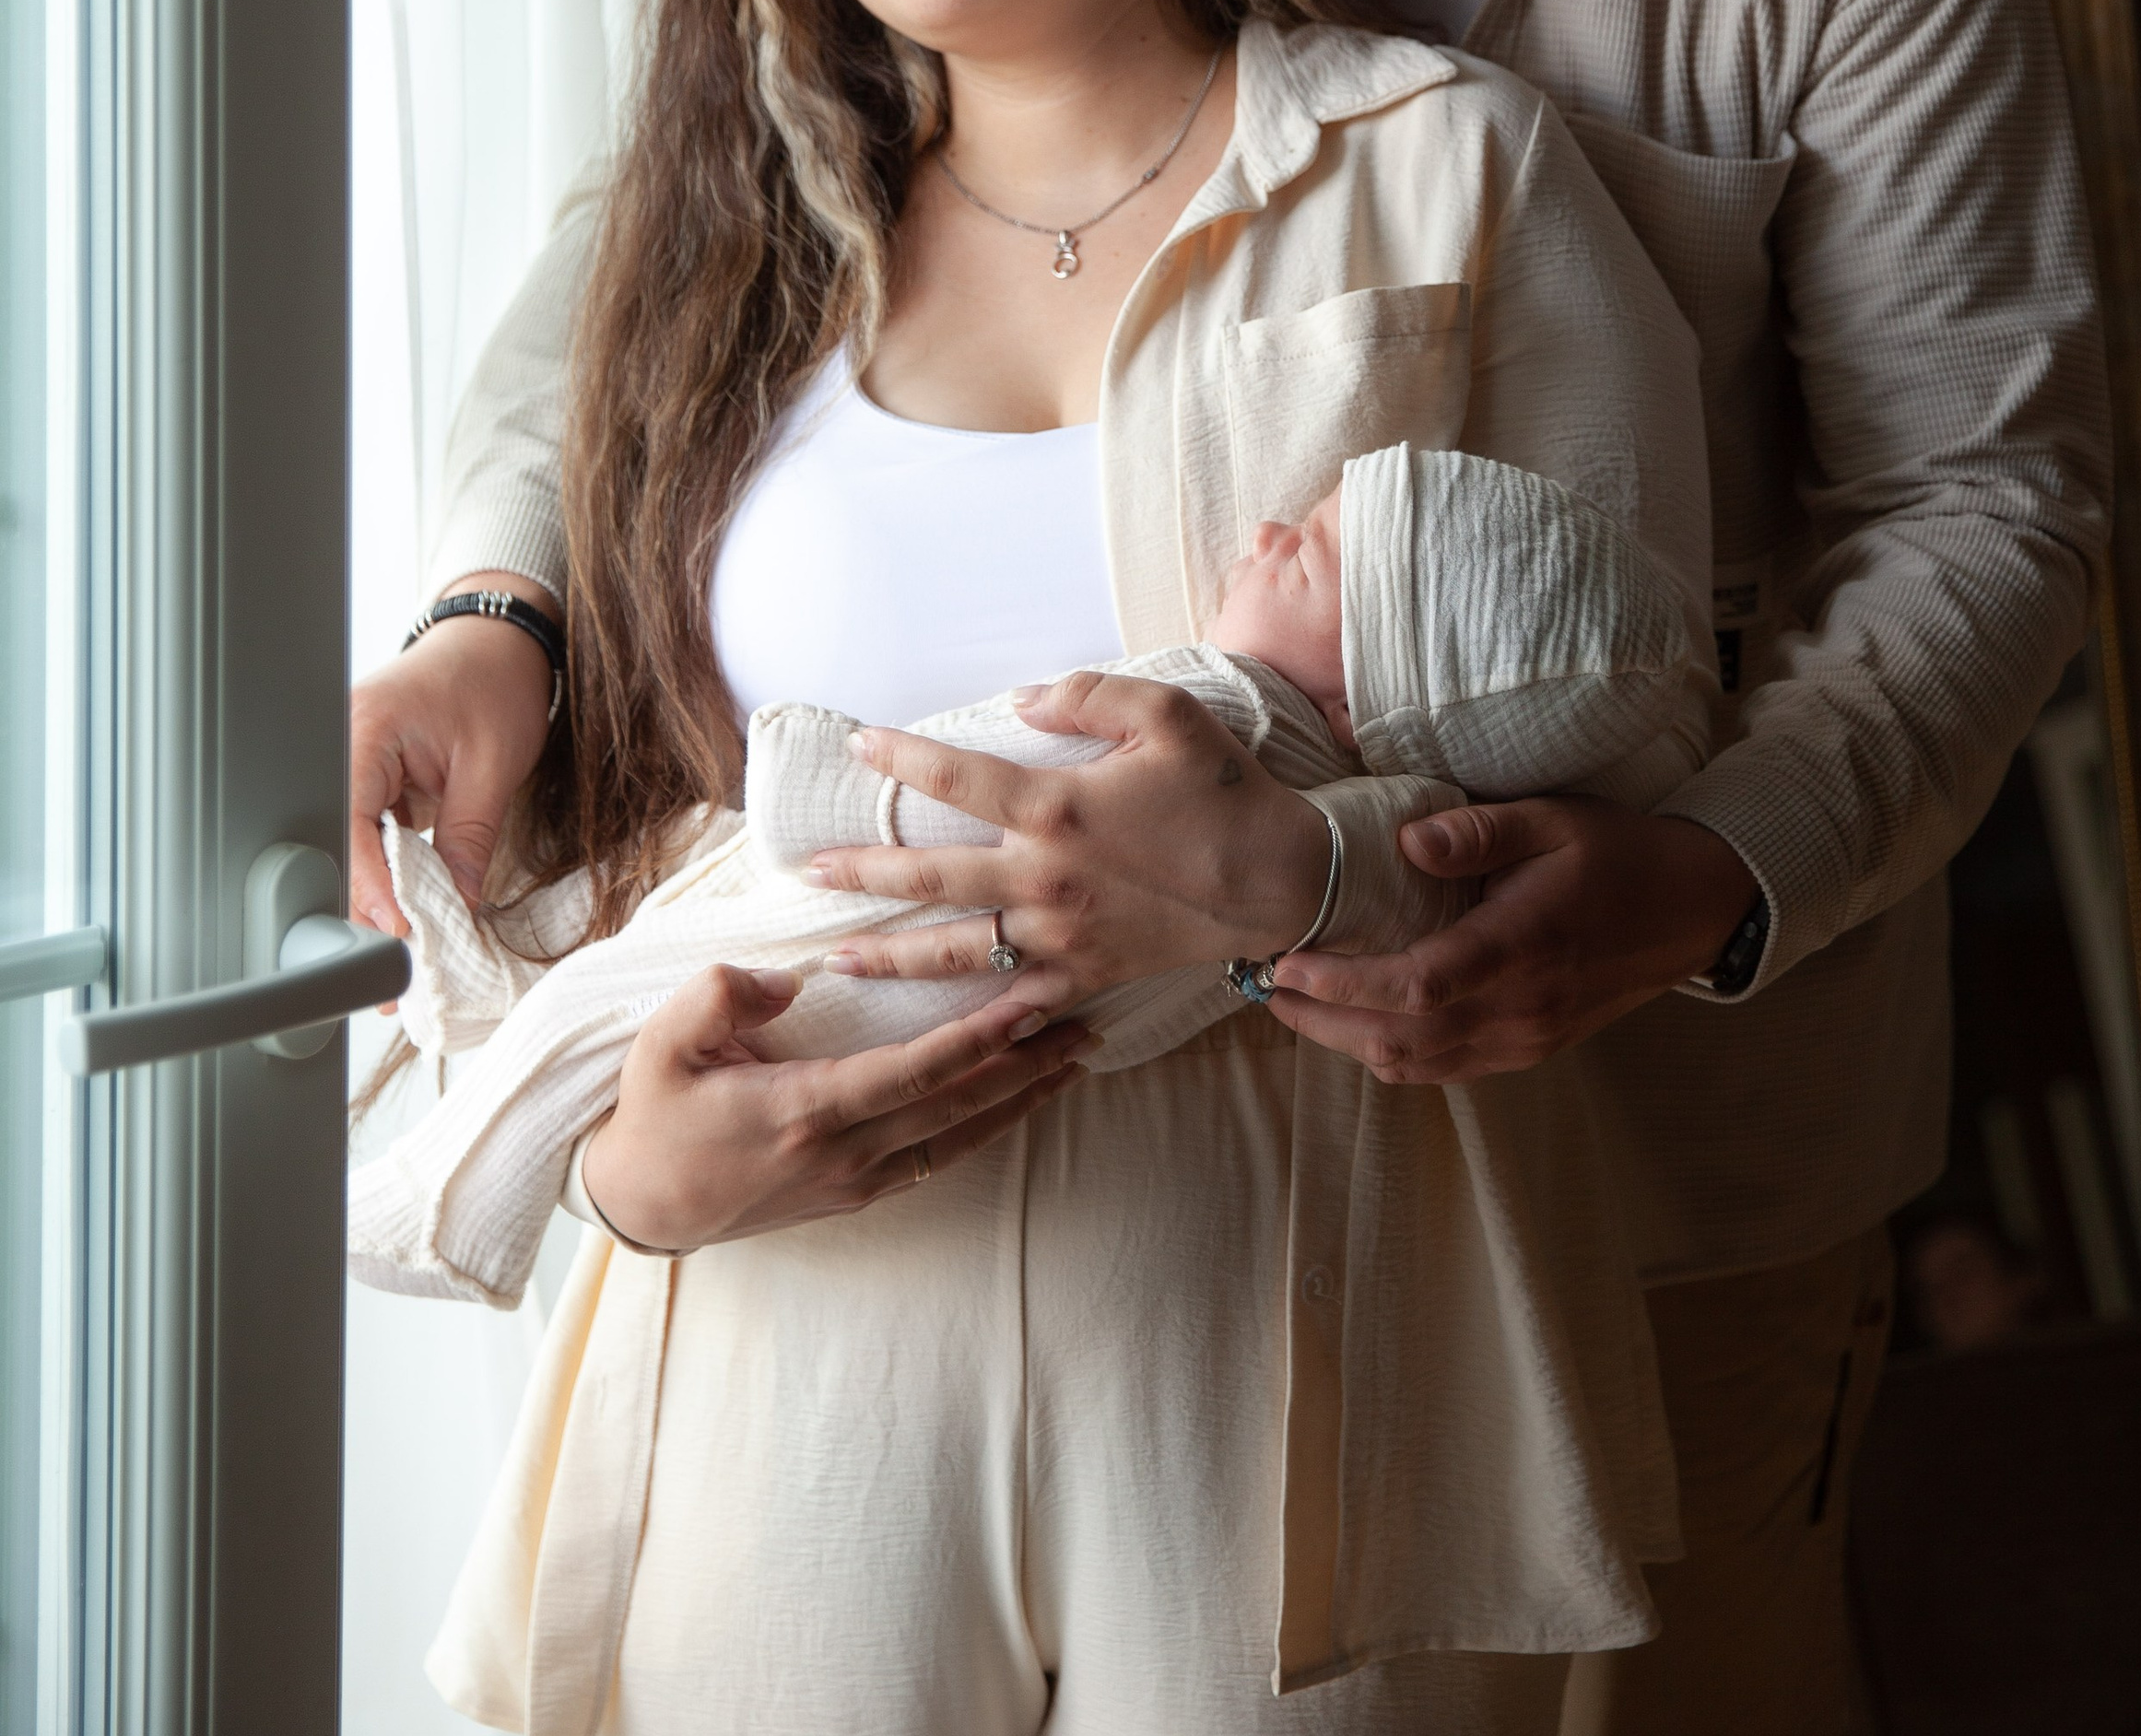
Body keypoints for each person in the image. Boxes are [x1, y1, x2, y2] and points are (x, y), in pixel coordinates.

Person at [354, 0, 2111, 1736]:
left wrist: (1702, 869)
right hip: (919, 1222)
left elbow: (1986, 496)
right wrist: (497, 599)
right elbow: (653, 248)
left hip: (1659, 1089)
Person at [374, 0, 1723, 1736]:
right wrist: (618, 1172)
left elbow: (1633, 733)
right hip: (789, 1297)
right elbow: (598, 812)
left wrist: (1296, 865)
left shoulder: (1451, 174)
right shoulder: (725, 259)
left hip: (1303, 1273)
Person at [349, 442, 1709, 1310]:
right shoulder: (1356, 834)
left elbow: (987, 786)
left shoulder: (1200, 720)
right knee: (579, 1002)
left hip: (850, 940)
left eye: (1329, 555)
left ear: (1384, 684)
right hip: (939, 1012)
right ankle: (468, 1024)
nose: (1275, 530)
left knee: (592, 1017)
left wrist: (813, 771)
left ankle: (446, 1214)